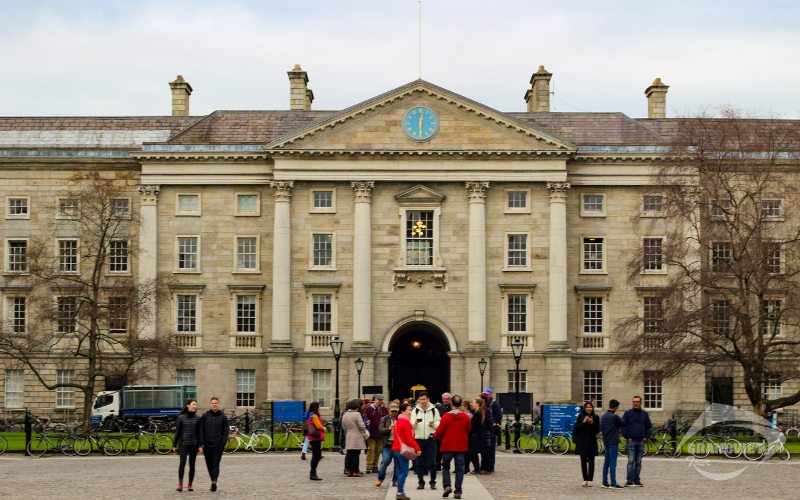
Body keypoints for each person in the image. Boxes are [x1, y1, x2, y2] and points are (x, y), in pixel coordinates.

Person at [433, 395, 470, 499]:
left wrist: (435, 436)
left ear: (451, 403)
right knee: (459, 469)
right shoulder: (466, 416)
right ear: (460, 404)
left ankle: (447, 486)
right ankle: (458, 491)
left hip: (448, 445)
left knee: (445, 467)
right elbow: (468, 429)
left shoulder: (446, 416)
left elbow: (440, 431)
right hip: (461, 446)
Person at [199, 396, 229, 492]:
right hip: (207, 445)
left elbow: (225, 430)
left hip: (218, 445)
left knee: (216, 463)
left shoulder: (223, 417)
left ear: (218, 404)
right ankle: (212, 479)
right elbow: (201, 430)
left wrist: (223, 442)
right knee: (209, 464)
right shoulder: (205, 415)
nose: (214, 404)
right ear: (210, 404)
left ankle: (214, 482)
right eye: (212, 403)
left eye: (216, 403)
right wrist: (201, 443)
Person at [392, 402, 421, 500]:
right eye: (409, 410)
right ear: (403, 411)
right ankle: (400, 492)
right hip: (402, 449)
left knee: (400, 471)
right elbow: (409, 438)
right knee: (404, 472)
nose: (411, 411)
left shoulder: (398, 421)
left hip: (396, 448)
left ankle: (401, 492)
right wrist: (417, 448)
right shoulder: (405, 422)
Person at [411, 391, 440, 489]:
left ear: (428, 399)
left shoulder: (434, 410)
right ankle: (421, 482)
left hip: (430, 438)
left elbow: (439, 423)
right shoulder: (415, 410)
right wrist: (415, 422)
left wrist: (434, 425)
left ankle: (433, 482)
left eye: (424, 399)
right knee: (419, 462)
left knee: (432, 462)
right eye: (420, 399)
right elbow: (411, 424)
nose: (422, 401)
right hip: (419, 439)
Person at [621, 395, 652, 487]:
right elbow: (623, 426)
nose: (635, 403)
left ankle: (637, 479)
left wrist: (647, 436)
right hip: (631, 440)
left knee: (638, 461)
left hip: (641, 441)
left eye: (637, 401)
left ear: (641, 403)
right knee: (630, 461)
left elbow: (648, 426)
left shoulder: (644, 414)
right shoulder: (627, 413)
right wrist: (627, 437)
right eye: (634, 401)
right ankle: (629, 480)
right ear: (632, 402)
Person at [173, 399, 201, 493]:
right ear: (188, 405)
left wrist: (200, 445)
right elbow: (177, 432)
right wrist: (174, 445)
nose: (195, 406)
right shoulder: (181, 418)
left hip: (194, 444)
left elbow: (199, 433)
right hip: (183, 443)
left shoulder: (198, 418)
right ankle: (180, 483)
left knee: (192, 465)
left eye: (196, 404)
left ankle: (190, 484)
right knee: (182, 462)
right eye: (193, 404)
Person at [573, 401, 600, 487]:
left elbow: (597, 430)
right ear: (584, 408)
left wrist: (592, 422)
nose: (589, 408)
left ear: (592, 408)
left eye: (590, 407)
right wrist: (583, 422)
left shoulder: (596, 417)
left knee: (591, 461)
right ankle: (585, 479)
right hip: (583, 442)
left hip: (591, 442)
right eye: (587, 407)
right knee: (583, 461)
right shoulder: (580, 416)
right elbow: (576, 428)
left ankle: (590, 479)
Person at [600, 399, 624, 489]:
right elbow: (623, 424)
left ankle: (604, 482)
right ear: (615, 407)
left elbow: (601, 428)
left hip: (606, 440)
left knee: (606, 462)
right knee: (613, 463)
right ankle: (613, 483)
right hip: (613, 441)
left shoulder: (603, 416)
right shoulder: (614, 417)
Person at [376, 403, 400, 488]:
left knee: (398, 464)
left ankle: (395, 480)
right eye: (392, 411)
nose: (394, 413)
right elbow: (380, 430)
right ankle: (380, 478)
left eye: (395, 411)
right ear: (389, 411)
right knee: (385, 461)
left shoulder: (400, 419)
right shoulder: (384, 419)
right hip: (387, 445)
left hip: (397, 445)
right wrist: (389, 429)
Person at [342, 399, 368, 476]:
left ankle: (349, 470)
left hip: (349, 435)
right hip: (357, 435)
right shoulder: (357, 414)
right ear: (356, 408)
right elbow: (361, 425)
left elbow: (343, 426)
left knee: (350, 454)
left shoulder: (345, 415)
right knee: (356, 454)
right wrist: (365, 431)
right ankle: (355, 471)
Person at [364, 394, 389, 473]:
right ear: (375, 400)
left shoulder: (384, 410)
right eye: (379, 400)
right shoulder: (369, 409)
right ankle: (369, 466)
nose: (380, 402)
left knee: (378, 450)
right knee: (371, 449)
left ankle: (375, 466)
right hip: (371, 433)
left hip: (381, 434)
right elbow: (365, 418)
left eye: (381, 400)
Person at [479, 389, 500, 473]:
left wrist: (494, 422)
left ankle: (491, 466)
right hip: (487, 429)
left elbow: (498, 415)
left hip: (492, 430)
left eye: (486, 394)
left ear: (490, 395)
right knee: (486, 450)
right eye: (484, 394)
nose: (485, 395)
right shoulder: (484, 405)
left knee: (491, 450)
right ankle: (486, 466)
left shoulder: (494, 404)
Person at [307, 401, 326, 481]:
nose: (320, 408)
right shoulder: (314, 415)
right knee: (316, 456)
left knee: (317, 455)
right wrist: (323, 428)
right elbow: (318, 426)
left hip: (314, 438)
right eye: (319, 406)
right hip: (315, 438)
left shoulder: (312, 414)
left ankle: (313, 473)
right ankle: (313, 473)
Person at [434, 393, 452, 471]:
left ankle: (446, 465)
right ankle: (437, 465)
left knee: (447, 451)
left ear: (450, 400)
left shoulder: (452, 408)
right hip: (440, 431)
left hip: (448, 432)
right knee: (438, 450)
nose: (445, 401)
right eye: (444, 399)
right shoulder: (438, 408)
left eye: (447, 399)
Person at [467, 397, 485, 475]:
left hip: (475, 436)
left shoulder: (478, 413)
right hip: (476, 435)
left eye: (473, 403)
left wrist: (468, 432)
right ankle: (477, 467)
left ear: (477, 404)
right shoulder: (478, 412)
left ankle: (477, 468)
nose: (472, 404)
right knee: (473, 453)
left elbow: (474, 426)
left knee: (472, 453)